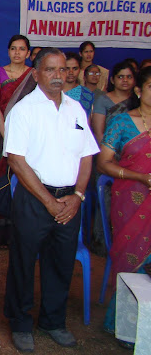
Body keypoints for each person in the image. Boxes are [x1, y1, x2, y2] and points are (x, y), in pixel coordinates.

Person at [3, 48, 99, 352]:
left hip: (70, 199)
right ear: (36, 74)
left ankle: (53, 321)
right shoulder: (24, 110)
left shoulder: (75, 109)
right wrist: (48, 201)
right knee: (23, 261)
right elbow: (16, 160)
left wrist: (78, 196)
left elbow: (87, 156)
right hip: (34, 198)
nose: (58, 75)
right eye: (50, 69)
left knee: (61, 261)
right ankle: (20, 323)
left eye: (63, 70)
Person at [96, 66, 151, 346]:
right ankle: (126, 325)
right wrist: (139, 177)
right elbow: (103, 163)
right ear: (139, 91)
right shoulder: (121, 121)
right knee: (131, 257)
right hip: (130, 198)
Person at [0, 35, 36, 246]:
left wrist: (22, 137)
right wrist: (7, 136)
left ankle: (20, 233)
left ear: (28, 53)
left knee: (24, 180)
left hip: (26, 136)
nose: (17, 53)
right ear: (8, 51)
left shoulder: (33, 75)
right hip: (1, 135)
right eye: (13, 48)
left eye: (22, 49)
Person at [91, 61, 136, 144]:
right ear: (112, 80)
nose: (125, 80)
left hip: (134, 147)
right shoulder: (102, 100)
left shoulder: (137, 100)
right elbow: (98, 133)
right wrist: (106, 150)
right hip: (108, 146)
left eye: (129, 77)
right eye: (120, 77)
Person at [63, 52, 94, 119]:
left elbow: (87, 121)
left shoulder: (86, 93)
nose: (71, 72)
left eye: (75, 69)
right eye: (67, 68)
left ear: (80, 69)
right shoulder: (53, 92)